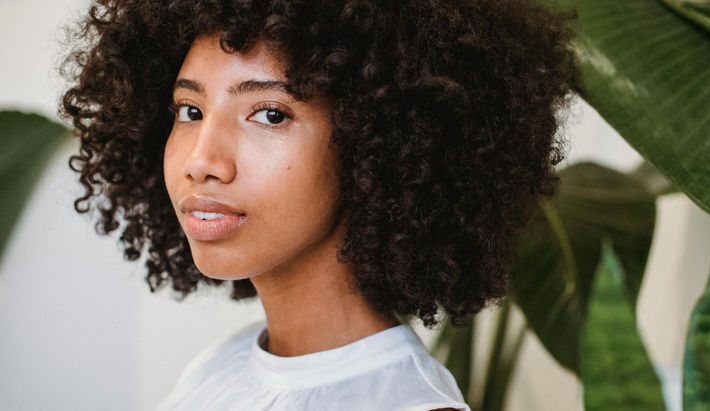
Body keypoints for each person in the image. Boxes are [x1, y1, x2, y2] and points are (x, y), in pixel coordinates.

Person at [60, 0, 579, 409]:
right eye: (190, 109)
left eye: (268, 114)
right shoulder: (221, 367)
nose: (201, 160)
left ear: (377, 141)